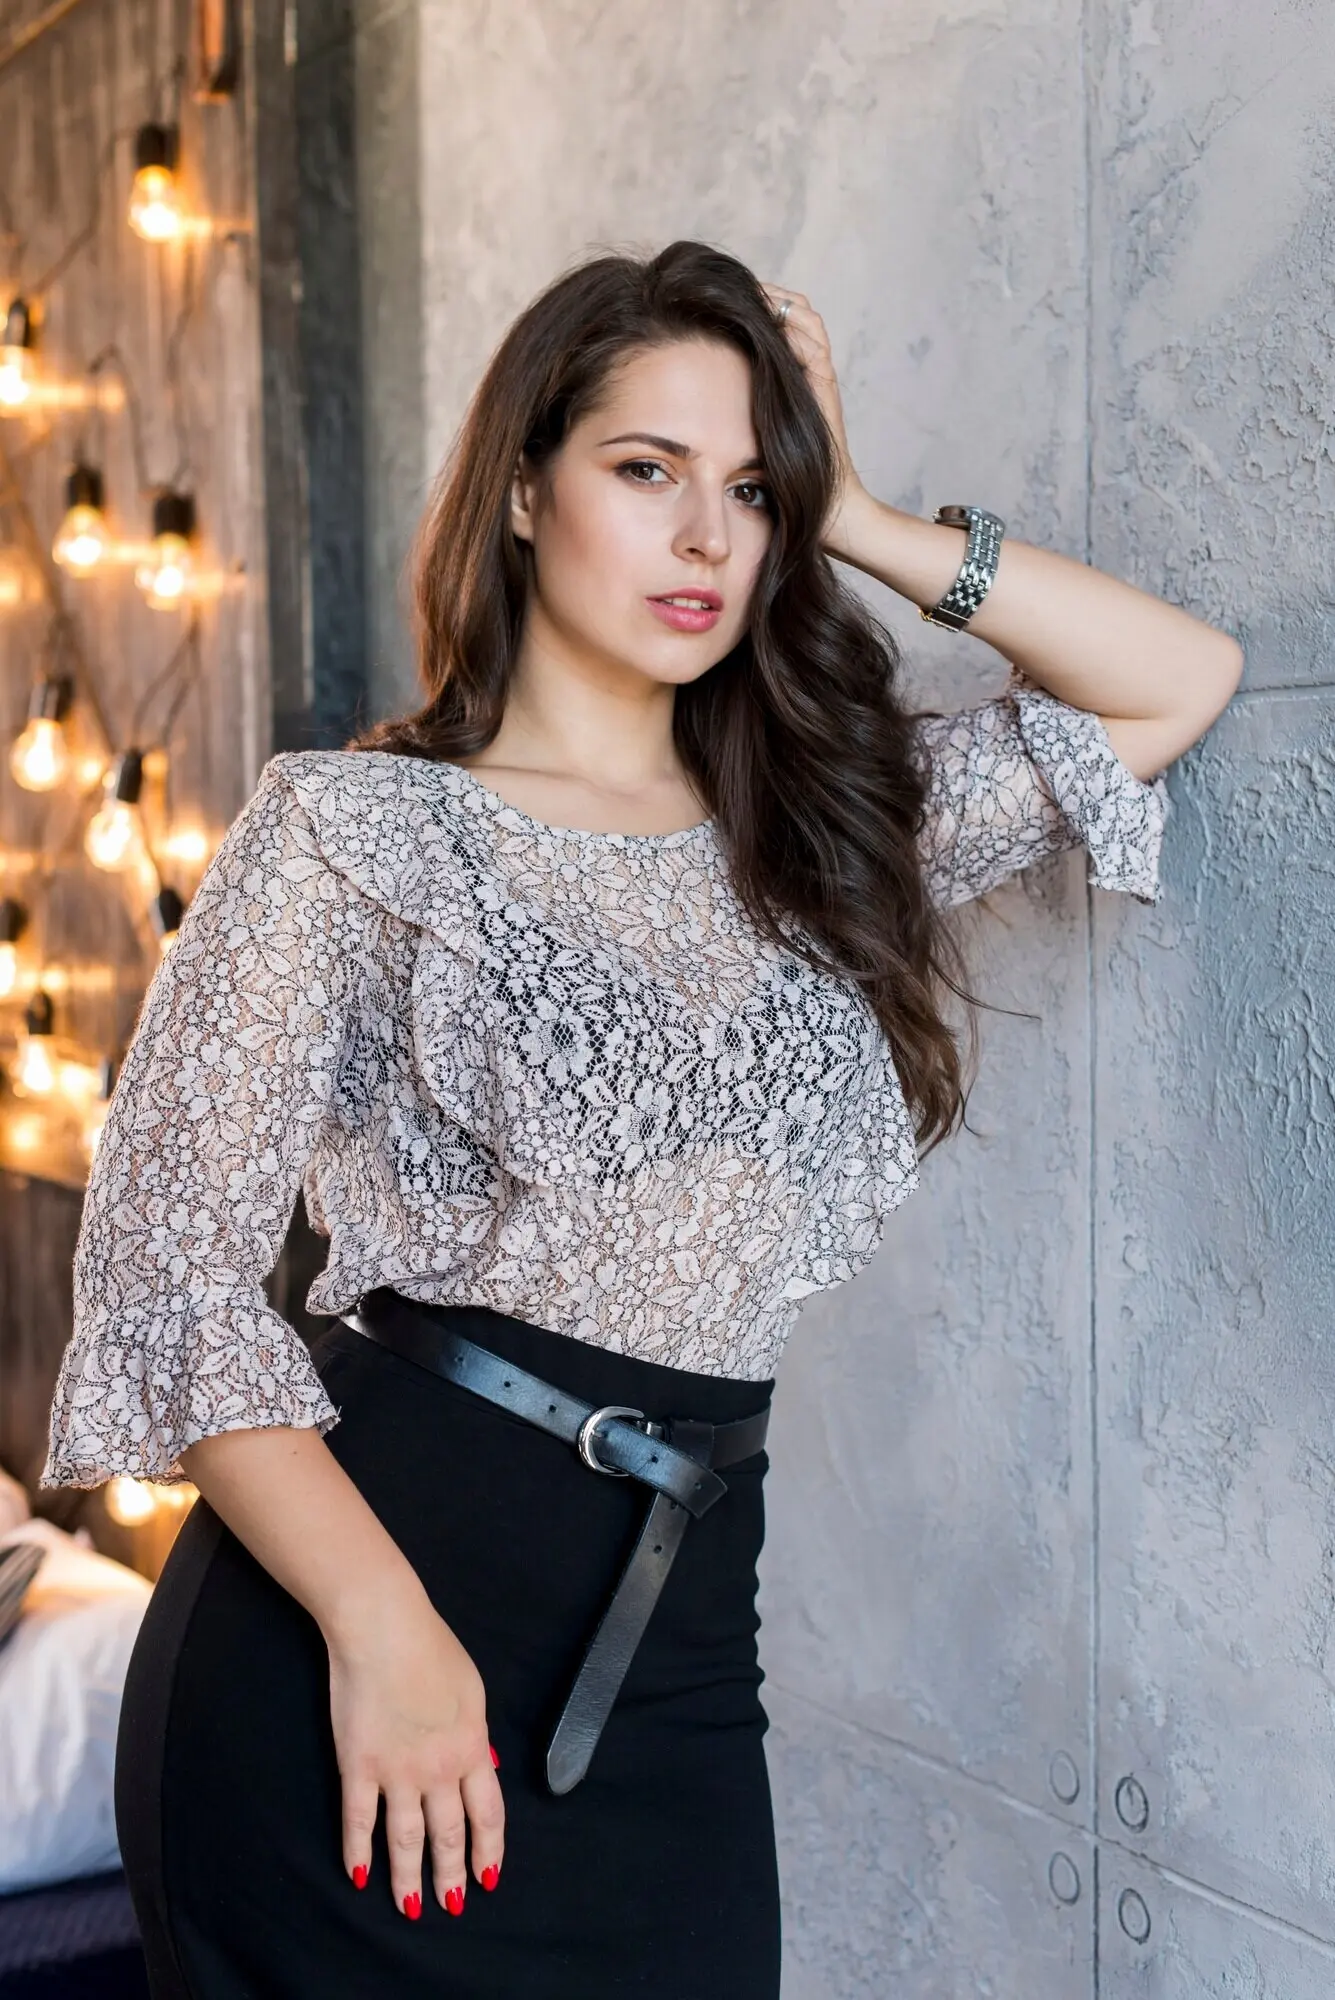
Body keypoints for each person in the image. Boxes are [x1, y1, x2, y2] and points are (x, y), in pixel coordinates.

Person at [41, 239, 1241, 1999]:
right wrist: (386, 1635)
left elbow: (1175, 680)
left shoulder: (831, 834)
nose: (706, 537)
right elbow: (165, 1281)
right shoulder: (356, 834)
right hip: (353, 1637)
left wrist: (869, 518)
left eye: (748, 487)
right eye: (644, 469)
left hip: (670, 1655)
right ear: (523, 492)